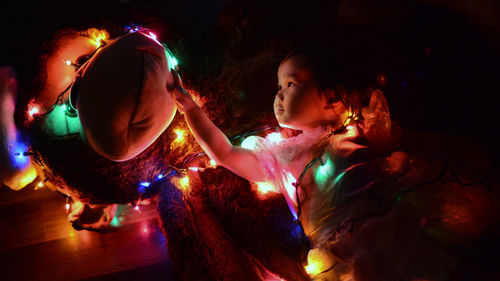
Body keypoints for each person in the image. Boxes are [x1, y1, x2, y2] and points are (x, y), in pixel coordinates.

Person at [167, 44, 396, 280]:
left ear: (332, 98)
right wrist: (191, 109)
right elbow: (226, 153)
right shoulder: (287, 156)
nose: (279, 94)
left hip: (391, 229)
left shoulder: (359, 128)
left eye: (290, 84)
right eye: (279, 86)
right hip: (342, 260)